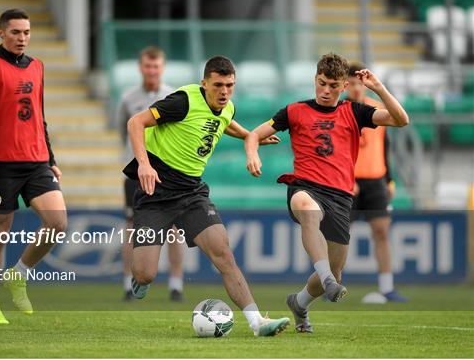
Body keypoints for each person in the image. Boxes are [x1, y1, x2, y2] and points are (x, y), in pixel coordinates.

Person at [123, 55, 290, 336]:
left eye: (230, 85)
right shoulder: (182, 101)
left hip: (192, 192)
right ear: (204, 83)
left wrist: (252, 135)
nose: (224, 91)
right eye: (218, 85)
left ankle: (257, 322)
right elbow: (135, 123)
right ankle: (140, 280)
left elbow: (225, 123)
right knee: (145, 273)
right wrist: (144, 164)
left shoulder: (227, 107)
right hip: (156, 192)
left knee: (224, 254)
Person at [245, 53, 409, 333]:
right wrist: (253, 154)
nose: (325, 90)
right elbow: (253, 134)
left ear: (343, 86)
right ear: (315, 79)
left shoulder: (355, 112)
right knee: (306, 209)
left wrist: (379, 88)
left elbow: (401, 119)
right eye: (321, 83)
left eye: (333, 86)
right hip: (305, 187)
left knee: (336, 270)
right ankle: (328, 280)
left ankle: (299, 302)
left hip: (341, 197)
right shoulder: (294, 110)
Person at [0, 9, 67, 324]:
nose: (22, 38)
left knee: (58, 223)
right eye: (16, 32)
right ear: (1, 33)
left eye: (26, 33)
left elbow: (38, 116)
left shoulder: (37, 67)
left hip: (35, 161)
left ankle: (19, 274)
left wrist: (51, 159)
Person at [116, 46, 185, 302]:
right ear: (141, 67)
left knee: (175, 227)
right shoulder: (127, 98)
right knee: (133, 227)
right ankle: (127, 283)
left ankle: (176, 284)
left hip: (167, 173)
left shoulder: (174, 96)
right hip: (135, 174)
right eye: (147, 66)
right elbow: (124, 131)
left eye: (156, 66)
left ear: (162, 68)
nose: (152, 70)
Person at [346, 62, 407, 303]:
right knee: (339, 236)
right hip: (347, 182)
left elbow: (385, 148)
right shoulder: (341, 111)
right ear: (344, 86)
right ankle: (330, 284)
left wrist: (389, 180)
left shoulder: (378, 110)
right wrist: (346, 178)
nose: (356, 88)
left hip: (376, 180)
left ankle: (386, 286)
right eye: (350, 84)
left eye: (359, 83)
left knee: (381, 232)